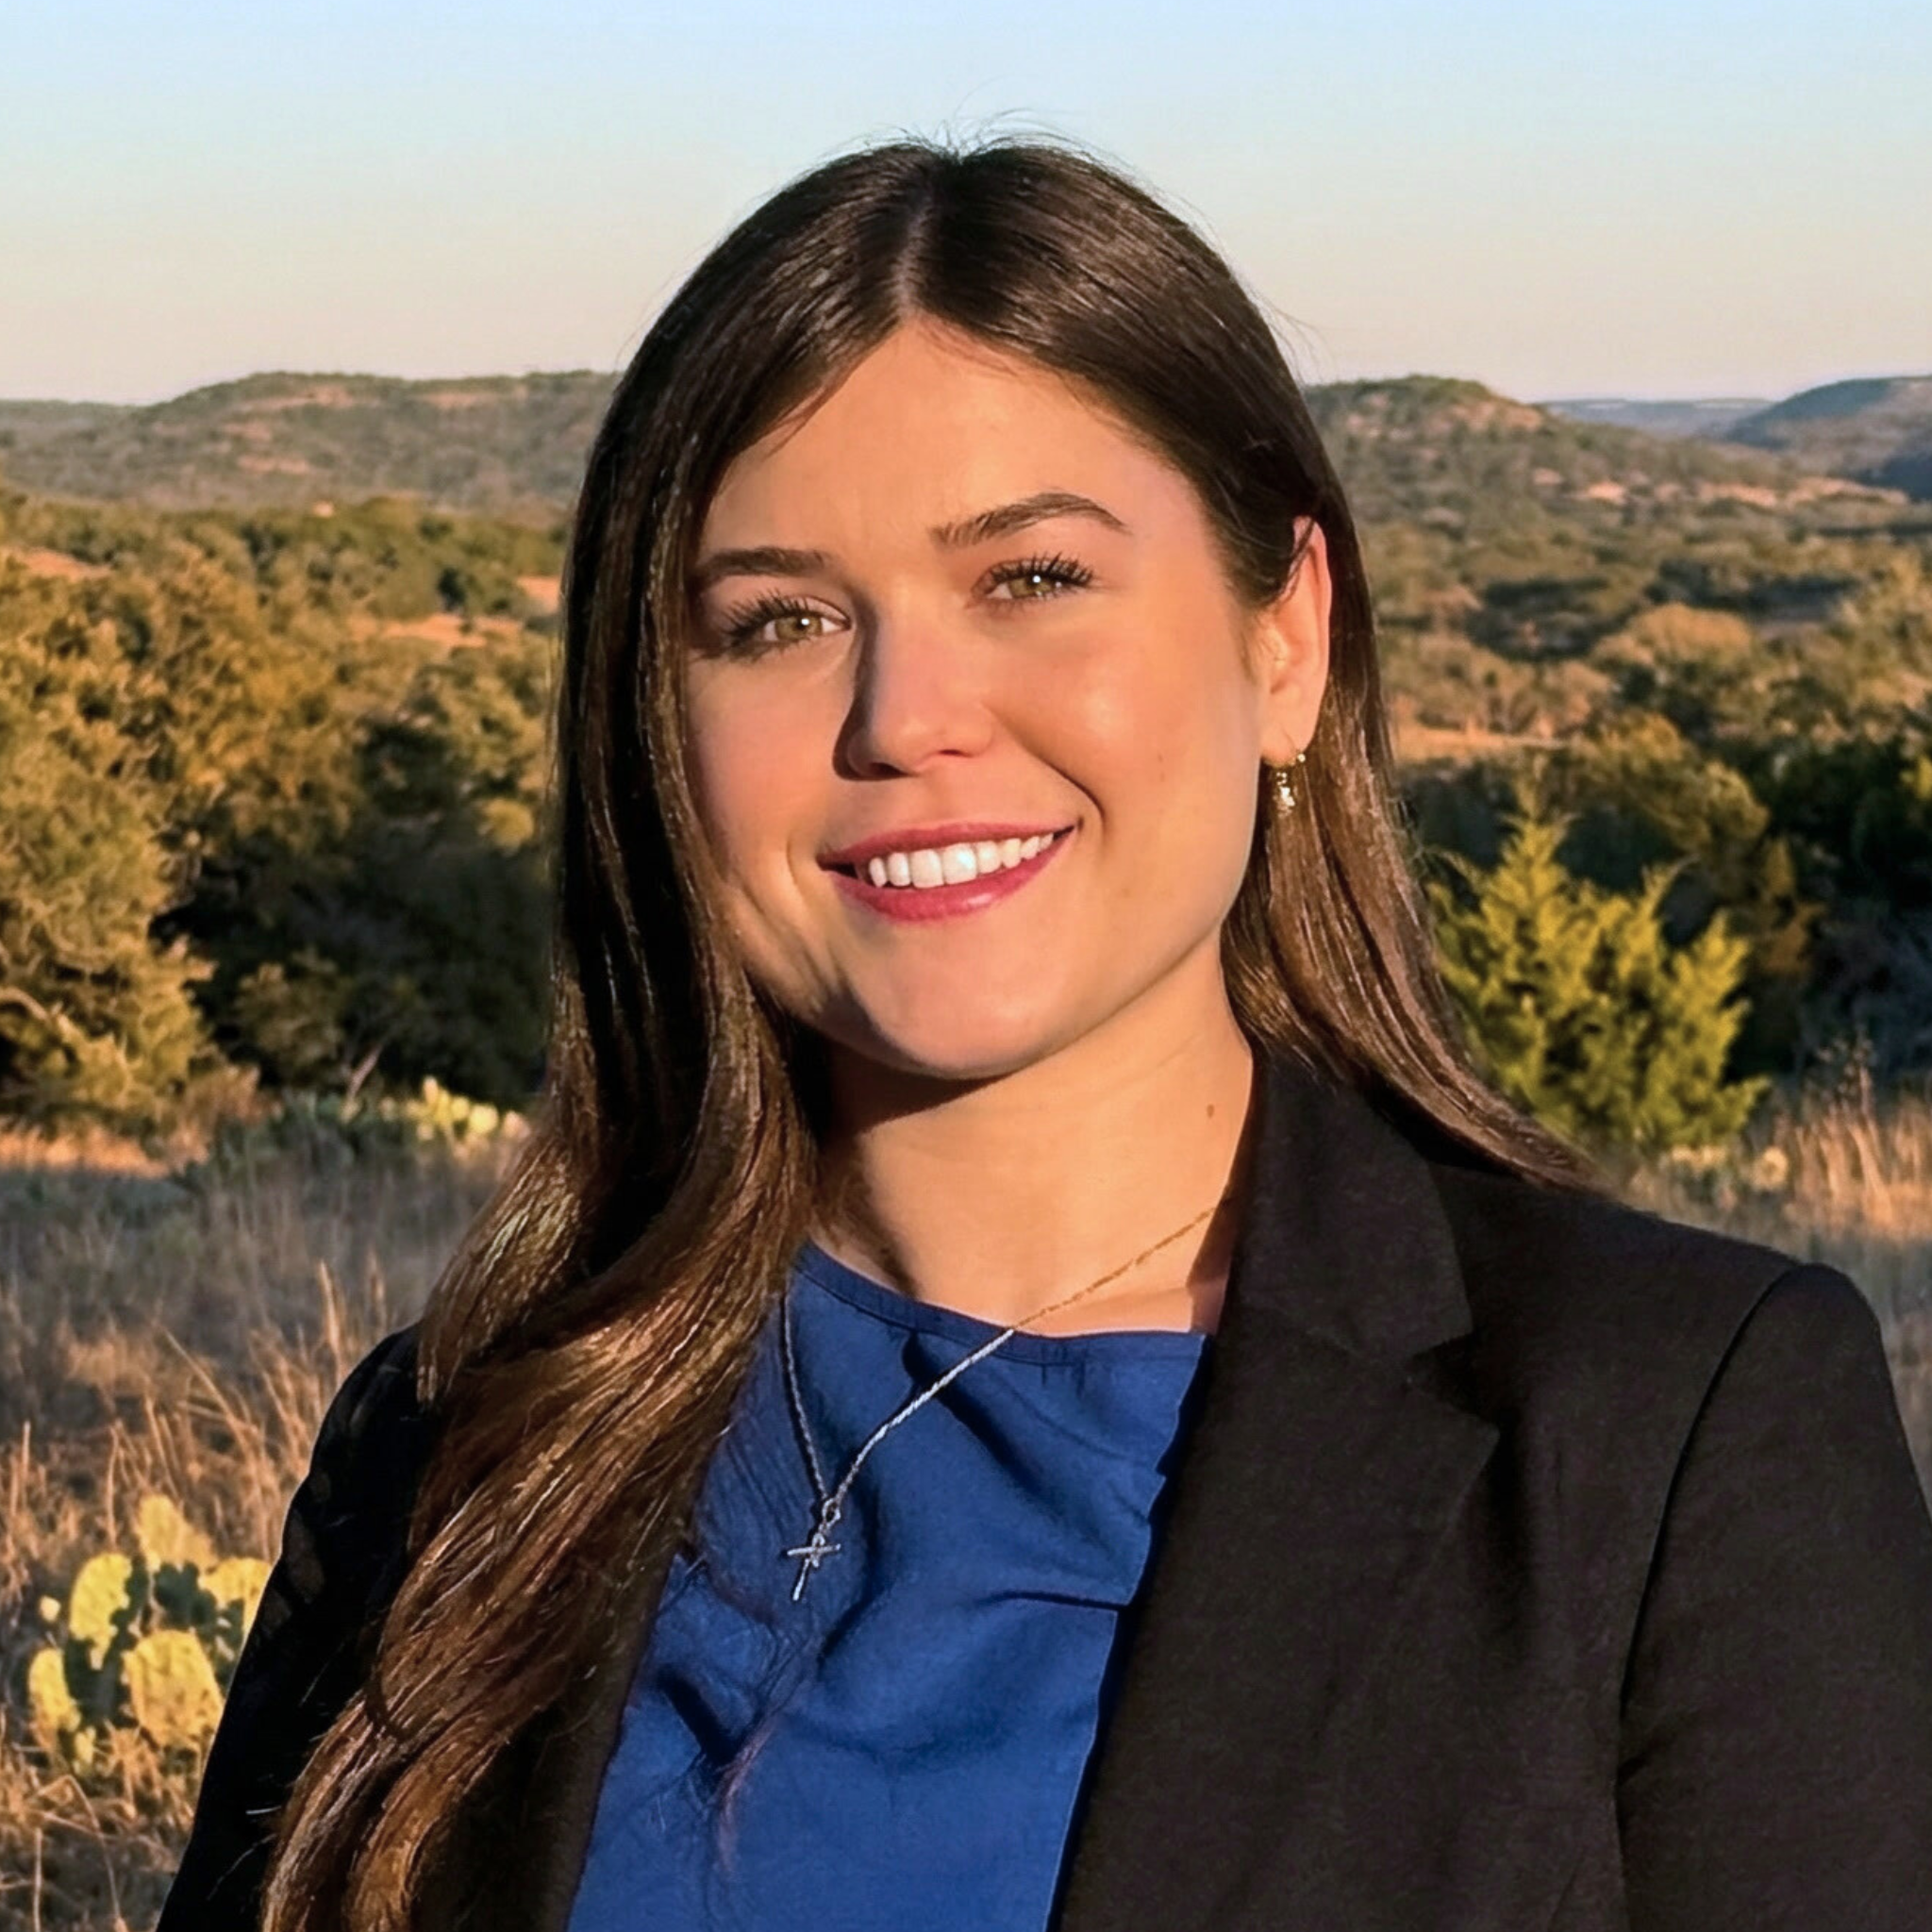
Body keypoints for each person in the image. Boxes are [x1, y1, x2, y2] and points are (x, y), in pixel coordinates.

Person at [158, 134, 1932, 1932]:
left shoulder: (1664, 1437)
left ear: (1289, 638)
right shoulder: (464, 1446)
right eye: (777, 619)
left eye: (1032, 580)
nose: (905, 717)